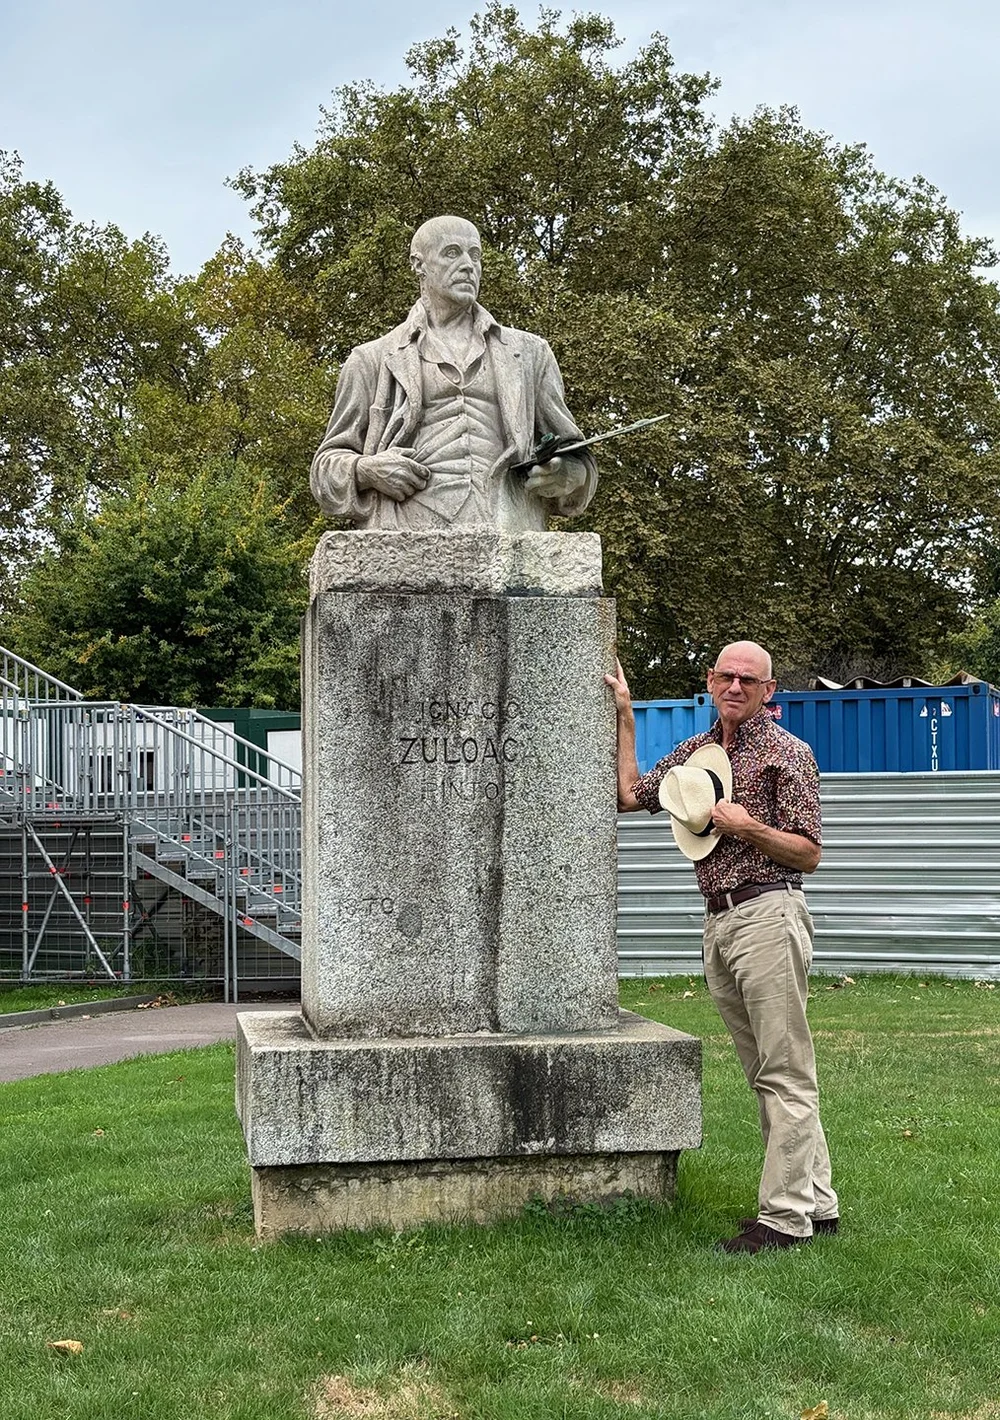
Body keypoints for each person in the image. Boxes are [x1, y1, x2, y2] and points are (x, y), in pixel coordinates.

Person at [605, 641, 839, 1253]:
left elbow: (809, 854)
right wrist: (627, 719)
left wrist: (749, 828)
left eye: (749, 679)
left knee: (784, 1071)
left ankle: (785, 1219)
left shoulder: (788, 754)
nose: (735, 687)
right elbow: (632, 796)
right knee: (766, 1070)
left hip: (768, 911)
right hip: (720, 922)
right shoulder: (695, 753)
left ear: (769, 691)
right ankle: (818, 1200)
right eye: (726, 676)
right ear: (710, 682)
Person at [310, 215, 597, 532]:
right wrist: (366, 470)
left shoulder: (530, 353)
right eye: (452, 253)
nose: (468, 265)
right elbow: (324, 471)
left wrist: (569, 475)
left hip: (508, 533)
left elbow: (578, 460)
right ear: (419, 264)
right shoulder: (370, 359)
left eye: (475, 255)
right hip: (405, 533)